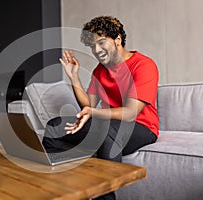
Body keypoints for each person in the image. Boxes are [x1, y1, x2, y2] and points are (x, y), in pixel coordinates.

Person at [42, 16, 159, 200]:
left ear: (118, 39)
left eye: (101, 43)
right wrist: (74, 78)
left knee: (107, 132)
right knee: (54, 127)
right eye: (92, 46)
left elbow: (129, 113)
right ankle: (64, 190)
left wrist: (93, 113)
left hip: (142, 127)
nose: (96, 50)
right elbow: (88, 105)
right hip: (107, 124)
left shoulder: (143, 65)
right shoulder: (100, 70)